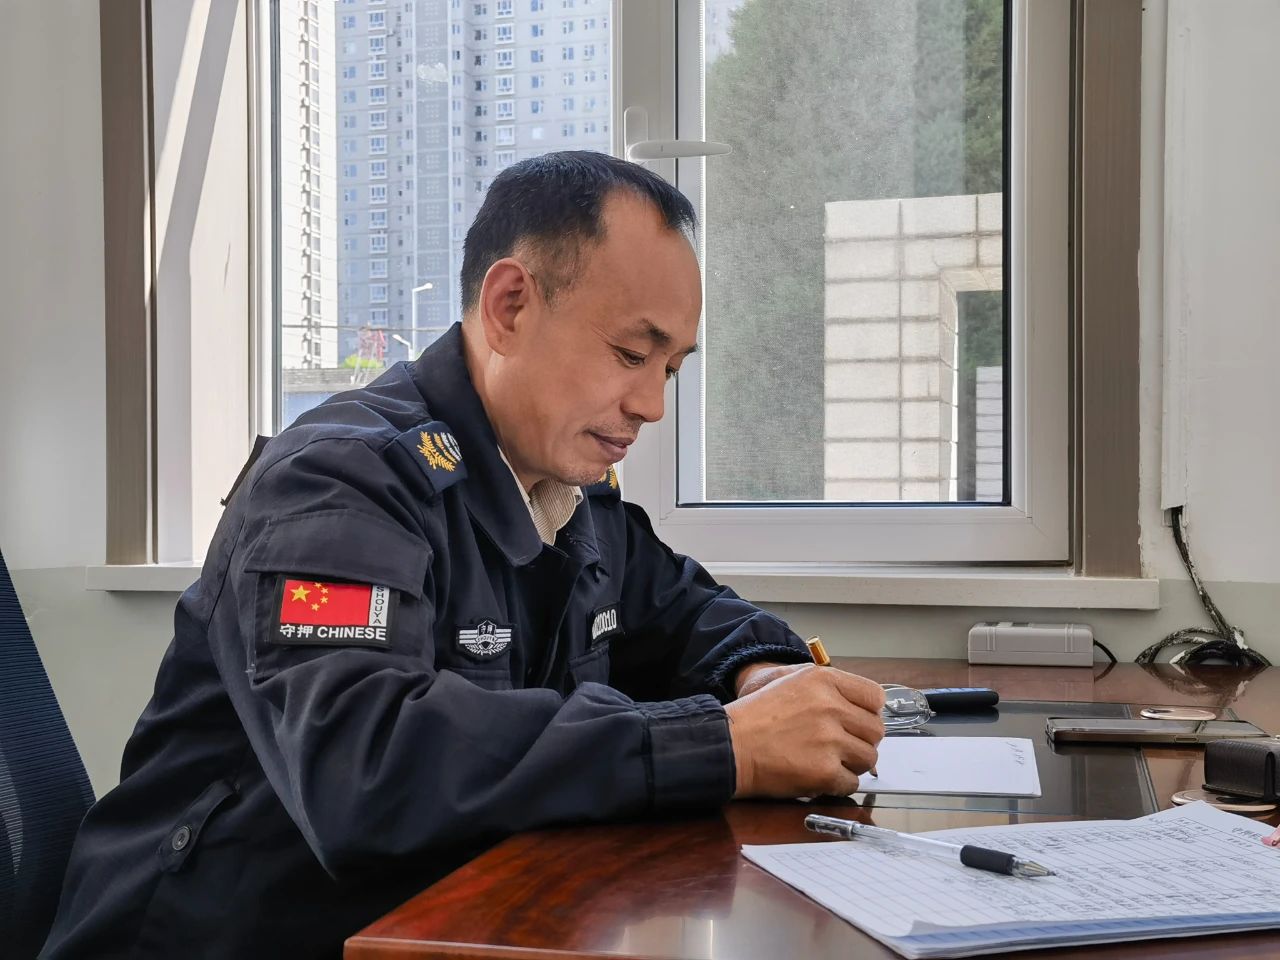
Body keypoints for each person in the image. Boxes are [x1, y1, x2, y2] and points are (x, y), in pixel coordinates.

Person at [42, 151, 885, 958]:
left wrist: (761, 676)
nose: (651, 405)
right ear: (510, 306)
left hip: (442, 917)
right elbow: (367, 769)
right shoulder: (336, 485)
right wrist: (721, 745)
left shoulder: (564, 487)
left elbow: (685, 609)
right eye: (632, 354)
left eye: (669, 368)